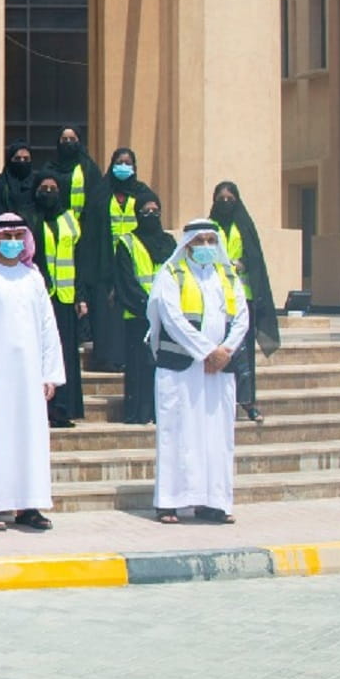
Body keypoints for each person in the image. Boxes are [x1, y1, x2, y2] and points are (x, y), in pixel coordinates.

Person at [0, 214, 63, 531]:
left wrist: (50, 374)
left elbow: (48, 327)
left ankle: (28, 505)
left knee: (29, 439)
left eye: (19, 235)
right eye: (7, 236)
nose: (13, 242)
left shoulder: (33, 278)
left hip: (29, 375)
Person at [147, 220, 250, 524]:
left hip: (219, 369)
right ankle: (169, 502)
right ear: (188, 244)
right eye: (199, 241)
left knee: (217, 435)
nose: (205, 247)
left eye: (210, 240)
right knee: (177, 432)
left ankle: (214, 502)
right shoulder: (171, 273)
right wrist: (207, 351)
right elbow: (171, 318)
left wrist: (224, 352)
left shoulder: (227, 275)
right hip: (181, 367)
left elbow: (242, 317)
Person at [211, 181, 280, 424]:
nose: (226, 202)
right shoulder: (211, 227)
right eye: (221, 198)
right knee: (220, 352)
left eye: (230, 198)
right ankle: (220, 404)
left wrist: (243, 263)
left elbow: (255, 257)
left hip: (243, 299)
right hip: (216, 300)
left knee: (244, 354)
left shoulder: (245, 226)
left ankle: (249, 402)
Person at [31, 171, 87, 427]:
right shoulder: (30, 218)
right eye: (44, 187)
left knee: (64, 354)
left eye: (53, 188)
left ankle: (63, 408)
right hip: (39, 297)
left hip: (64, 298)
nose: (49, 192)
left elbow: (78, 257)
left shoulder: (70, 220)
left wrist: (80, 295)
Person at [113, 190, 173, 426]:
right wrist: (148, 307)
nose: (151, 215)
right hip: (137, 315)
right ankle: (138, 412)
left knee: (161, 367)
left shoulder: (169, 243)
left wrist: (165, 307)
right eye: (145, 212)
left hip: (167, 316)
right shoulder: (126, 242)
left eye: (155, 211)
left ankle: (160, 412)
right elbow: (125, 280)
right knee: (139, 366)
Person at [90, 147, 151, 372]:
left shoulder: (142, 193)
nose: (123, 167)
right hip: (105, 260)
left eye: (128, 163)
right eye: (119, 162)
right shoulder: (101, 193)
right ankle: (107, 358)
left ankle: (128, 356)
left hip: (133, 260)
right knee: (108, 312)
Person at [0, 142, 38, 246]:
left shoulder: (36, 185)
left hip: (33, 242)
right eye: (17, 159)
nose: (22, 162)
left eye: (26, 159)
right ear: (9, 160)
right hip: (4, 242)